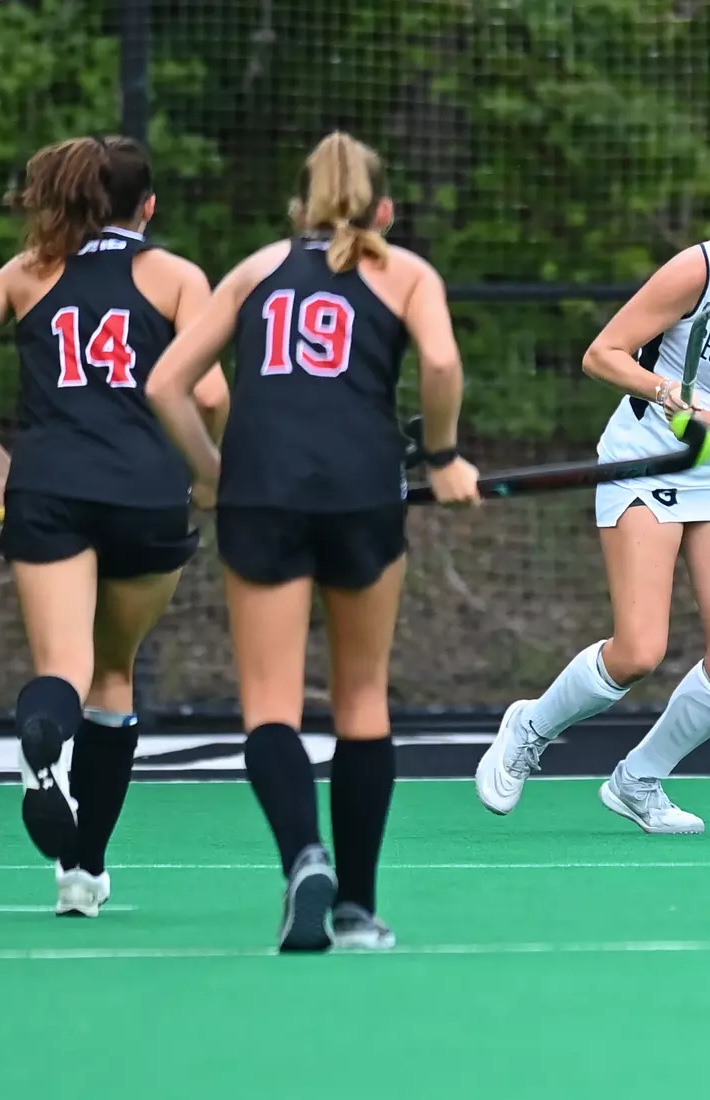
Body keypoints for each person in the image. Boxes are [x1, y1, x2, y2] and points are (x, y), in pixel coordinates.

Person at [145, 131, 481, 952]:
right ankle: (357, 911)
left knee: (270, 703)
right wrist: (441, 456)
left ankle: (303, 855)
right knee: (361, 698)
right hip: (363, 491)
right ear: (386, 210)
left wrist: (212, 471)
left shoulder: (255, 271)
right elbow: (439, 362)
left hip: (261, 491)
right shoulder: (404, 273)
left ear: (298, 208)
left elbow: (164, 383)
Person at [474, 172, 710, 833]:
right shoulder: (697, 273)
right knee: (638, 651)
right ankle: (529, 728)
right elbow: (603, 355)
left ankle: (638, 781)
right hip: (643, 459)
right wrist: (665, 392)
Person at [0, 135, 230, 917]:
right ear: (148, 206)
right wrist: (213, 480)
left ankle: (42, 750)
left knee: (62, 668)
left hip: (47, 490)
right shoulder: (174, 276)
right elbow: (206, 395)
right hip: (146, 494)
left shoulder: (27, 273)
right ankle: (83, 870)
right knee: (114, 676)